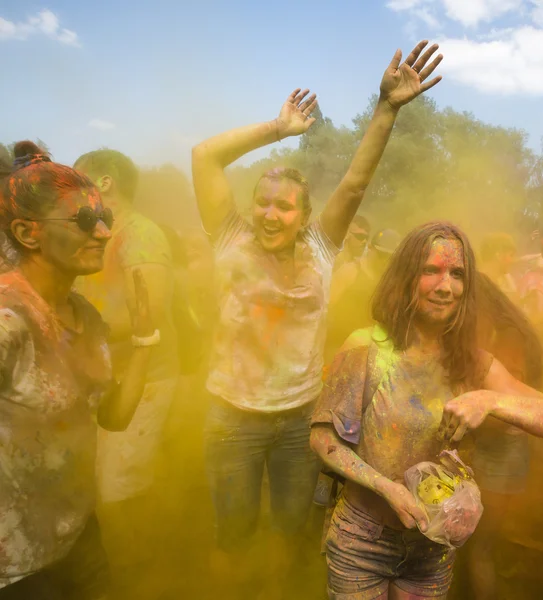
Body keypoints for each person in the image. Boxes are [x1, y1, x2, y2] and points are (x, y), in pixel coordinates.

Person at [192, 40, 444, 592]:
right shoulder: (230, 239)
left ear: (304, 216)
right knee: (231, 530)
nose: (269, 212)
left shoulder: (321, 250)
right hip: (230, 415)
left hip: (298, 420)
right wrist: (279, 130)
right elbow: (204, 156)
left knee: (289, 527)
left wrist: (387, 108)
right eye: (262, 201)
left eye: (283, 206)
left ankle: (279, 589)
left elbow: (354, 183)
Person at [310, 221, 543, 600]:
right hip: (362, 539)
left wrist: (490, 400)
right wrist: (386, 488)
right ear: (405, 277)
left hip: (433, 548)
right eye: (430, 270)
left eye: (457, 274)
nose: (445, 286)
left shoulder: (474, 364)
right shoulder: (367, 348)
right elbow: (322, 439)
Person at [0, 142, 157, 599]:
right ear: (29, 234)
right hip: (16, 568)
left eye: (104, 216)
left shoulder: (86, 317)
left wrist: (146, 338)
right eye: (85, 220)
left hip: (79, 541)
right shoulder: (9, 319)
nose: (105, 232)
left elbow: (114, 417)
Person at [73, 150, 178, 595]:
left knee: (119, 493)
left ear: (105, 183)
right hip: (104, 380)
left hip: (146, 379)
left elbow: (146, 315)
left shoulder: (142, 235)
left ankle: (144, 577)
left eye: (76, 182)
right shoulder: (100, 233)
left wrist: (64, 332)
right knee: (103, 488)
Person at [464, 272, 543, 600]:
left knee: (479, 549)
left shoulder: (507, 336)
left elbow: (513, 406)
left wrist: (465, 428)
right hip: (497, 451)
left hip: (502, 455)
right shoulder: (499, 329)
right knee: (477, 547)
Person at [326, 229, 400, 363]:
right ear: (370, 248)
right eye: (382, 254)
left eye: (390, 257)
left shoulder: (389, 282)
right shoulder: (350, 271)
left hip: (366, 354)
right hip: (335, 346)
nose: (385, 261)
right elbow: (325, 308)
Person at [479, 232, 518, 299]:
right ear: (498, 255)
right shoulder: (478, 282)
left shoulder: (506, 280)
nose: (512, 261)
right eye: (511, 255)